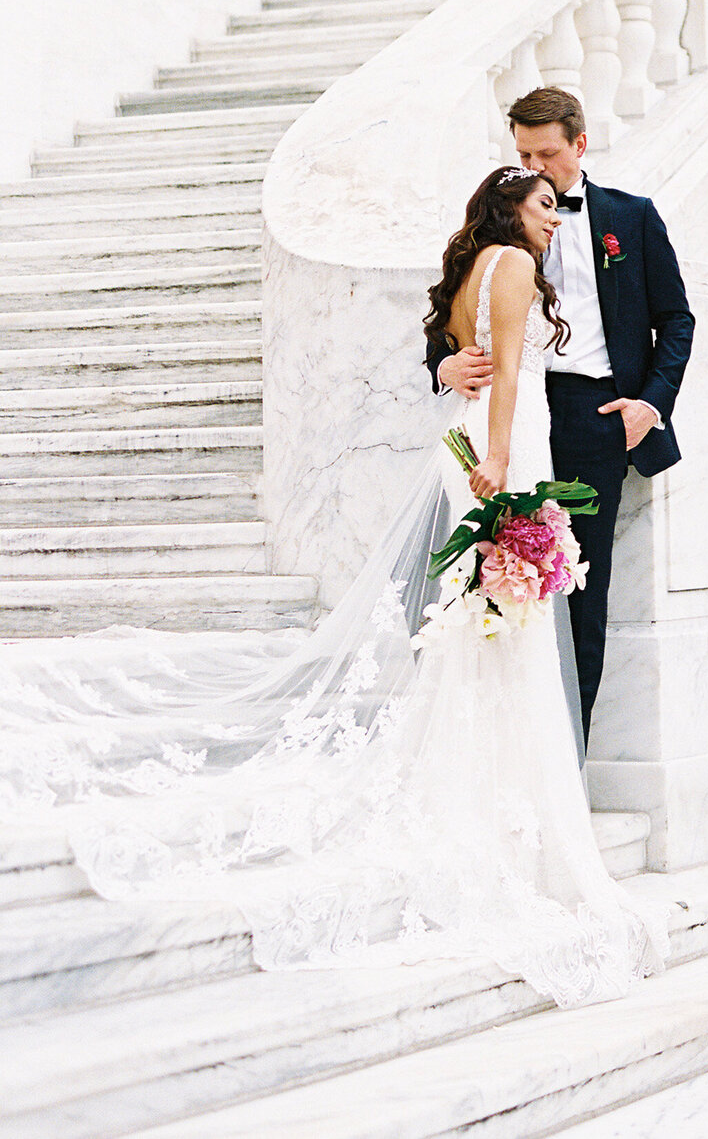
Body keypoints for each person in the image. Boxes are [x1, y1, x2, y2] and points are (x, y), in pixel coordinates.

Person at [0, 165, 666, 1005]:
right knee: (502, 619)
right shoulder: (516, 266)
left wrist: (468, 410)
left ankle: (498, 789)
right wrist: (504, 465)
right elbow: (499, 383)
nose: (554, 222)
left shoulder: (472, 268)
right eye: (543, 208)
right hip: (505, 451)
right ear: (512, 206)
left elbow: (464, 359)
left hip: (478, 448)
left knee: (484, 620)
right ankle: (507, 801)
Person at [427, 88, 694, 743]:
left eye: (548, 152)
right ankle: (499, 755)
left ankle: (563, 766)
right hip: (516, 419)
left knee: (578, 594)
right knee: (496, 580)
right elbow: (456, 318)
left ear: (580, 144)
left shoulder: (631, 218)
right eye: (523, 153)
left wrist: (648, 406)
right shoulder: (499, 230)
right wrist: (441, 366)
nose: (537, 166)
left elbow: (677, 319)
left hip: (597, 412)